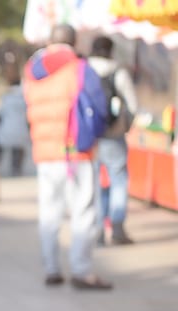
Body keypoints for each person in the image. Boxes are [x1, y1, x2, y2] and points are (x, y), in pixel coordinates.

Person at [23, 24, 113, 290]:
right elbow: (99, 106)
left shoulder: (32, 70)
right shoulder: (79, 67)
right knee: (83, 210)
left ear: (50, 41)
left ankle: (51, 268)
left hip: (45, 151)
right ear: (74, 42)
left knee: (49, 212)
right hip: (77, 151)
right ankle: (81, 270)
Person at [88, 35, 138, 245]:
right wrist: (124, 126)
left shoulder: (84, 70)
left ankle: (98, 230)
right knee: (118, 180)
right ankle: (117, 227)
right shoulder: (118, 72)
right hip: (114, 136)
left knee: (96, 183)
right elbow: (133, 106)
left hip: (91, 137)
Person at [0, 64, 31, 177]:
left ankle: (3, 169)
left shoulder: (5, 97)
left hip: (7, 127)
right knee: (18, 149)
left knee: (7, 148)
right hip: (20, 127)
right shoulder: (24, 97)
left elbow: (0, 112)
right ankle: (16, 168)